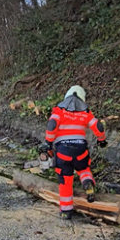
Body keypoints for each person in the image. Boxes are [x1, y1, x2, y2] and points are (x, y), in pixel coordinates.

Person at [42, 86, 107, 220]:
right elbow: (98, 126)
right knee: (83, 168)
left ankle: (66, 211)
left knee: (65, 180)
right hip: (81, 149)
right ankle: (87, 181)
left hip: (63, 151)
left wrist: (48, 142)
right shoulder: (85, 112)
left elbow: (52, 125)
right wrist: (102, 140)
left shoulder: (59, 110)